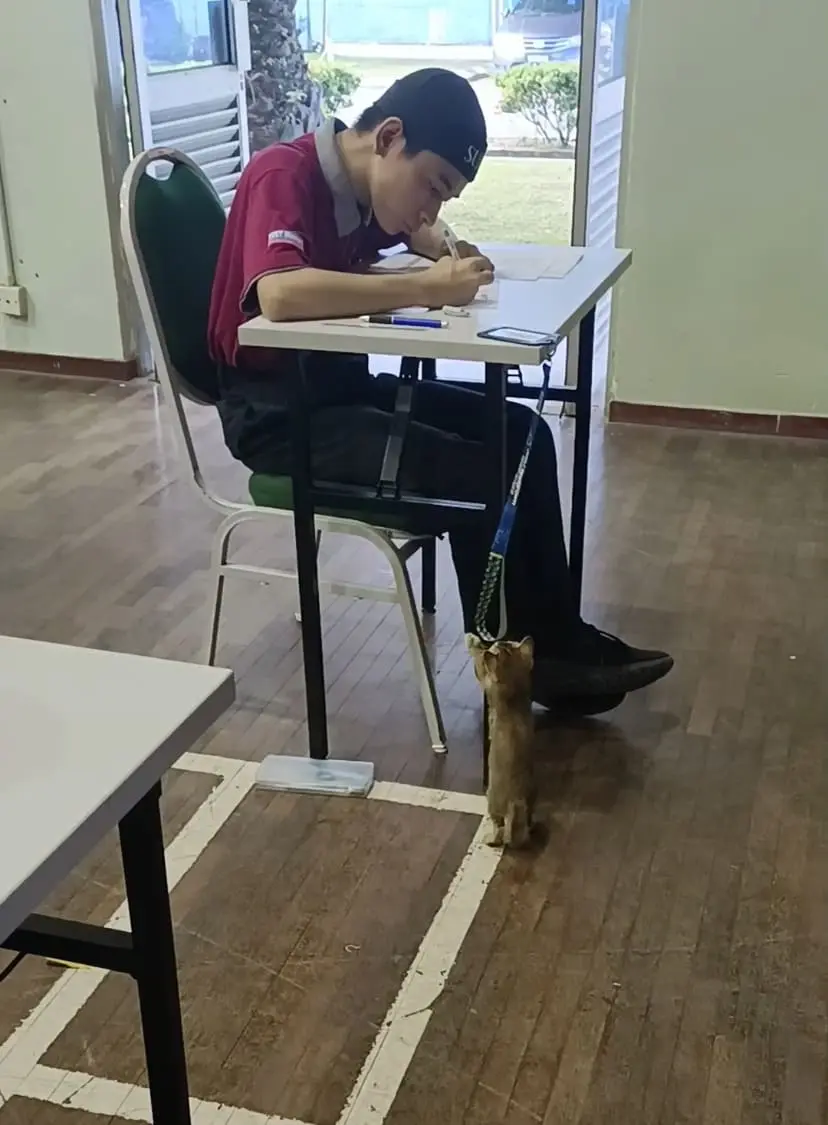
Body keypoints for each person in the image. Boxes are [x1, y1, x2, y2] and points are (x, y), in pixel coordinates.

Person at [208, 67, 673, 713]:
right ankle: (512, 667)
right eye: (433, 186)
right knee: (481, 474)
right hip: (280, 420)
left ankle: (555, 642)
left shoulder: (364, 191)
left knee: (524, 434)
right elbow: (279, 293)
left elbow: (412, 231)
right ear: (389, 138)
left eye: (447, 196)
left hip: (341, 391)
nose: (432, 207)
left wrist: (444, 245)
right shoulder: (282, 174)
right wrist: (426, 288)